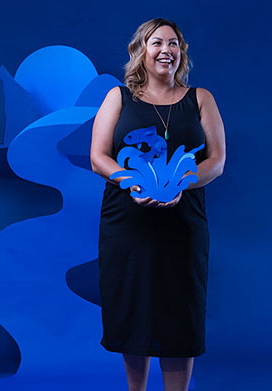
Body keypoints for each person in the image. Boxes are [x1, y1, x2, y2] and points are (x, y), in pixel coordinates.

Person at [90, 18, 226, 391]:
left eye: (174, 43)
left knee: (180, 311)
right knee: (134, 309)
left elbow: (216, 161)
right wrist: (133, 183)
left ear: (181, 53)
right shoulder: (118, 98)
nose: (166, 49)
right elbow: (99, 156)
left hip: (183, 224)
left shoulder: (201, 98)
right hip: (127, 223)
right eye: (156, 42)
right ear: (141, 51)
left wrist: (181, 183)